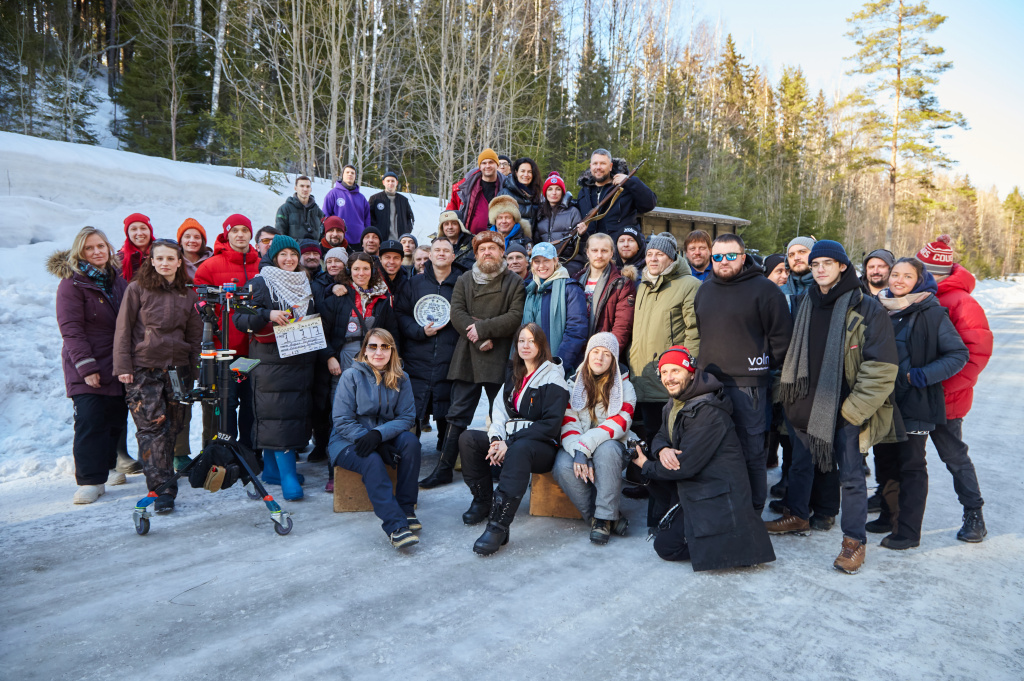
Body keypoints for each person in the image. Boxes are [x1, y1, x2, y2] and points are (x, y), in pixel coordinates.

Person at [766, 240, 900, 574]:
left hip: (845, 410)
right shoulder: (804, 303)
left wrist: (852, 411)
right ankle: (797, 514)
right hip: (806, 404)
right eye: (815, 264)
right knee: (799, 464)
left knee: (851, 477)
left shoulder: (866, 307)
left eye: (828, 262)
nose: (820, 269)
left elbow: (881, 368)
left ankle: (854, 542)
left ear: (843, 266)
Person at [634, 346, 777, 570]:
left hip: (715, 493)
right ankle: (692, 530)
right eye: (664, 372)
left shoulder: (708, 411)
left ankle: (732, 545)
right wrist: (662, 450)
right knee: (658, 498)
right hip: (695, 484)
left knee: (666, 547)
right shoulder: (676, 402)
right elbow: (661, 434)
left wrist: (646, 465)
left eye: (675, 371)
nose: (669, 378)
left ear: (691, 373)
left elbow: (685, 466)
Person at [869, 258, 968, 550]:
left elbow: (957, 354)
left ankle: (909, 532)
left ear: (919, 280)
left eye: (907, 276)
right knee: (884, 460)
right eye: (895, 274)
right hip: (882, 401)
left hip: (915, 402)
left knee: (910, 465)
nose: (898, 280)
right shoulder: (880, 309)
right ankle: (889, 516)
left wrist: (920, 376)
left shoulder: (932, 312)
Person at [419, 231, 526, 488]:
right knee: (457, 415)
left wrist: (484, 329)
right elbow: (456, 312)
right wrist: (478, 336)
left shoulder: (514, 282)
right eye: (482, 249)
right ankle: (444, 467)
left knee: (499, 414)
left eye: (492, 248)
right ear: (476, 254)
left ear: (501, 252)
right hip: (468, 354)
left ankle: (497, 467)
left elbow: (515, 316)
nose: (487, 252)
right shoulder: (465, 278)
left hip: (499, 355)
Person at [694, 234, 792, 512]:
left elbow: (782, 340)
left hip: (748, 386)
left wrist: (758, 364)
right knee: (714, 449)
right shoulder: (705, 289)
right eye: (717, 257)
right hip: (709, 385)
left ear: (743, 255)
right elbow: (704, 332)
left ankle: (753, 511)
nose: (723, 262)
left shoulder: (765, 290)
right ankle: (723, 510)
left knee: (751, 452)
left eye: (730, 256)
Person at [459, 323, 570, 555]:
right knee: (469, 439)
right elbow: (498, 410)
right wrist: (496, 439)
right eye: (521, 341)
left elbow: (550, 426)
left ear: (541, 345)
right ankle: (482, 501)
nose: (525, 346)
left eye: (531, 341)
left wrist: (510, 442)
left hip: (541, 448)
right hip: (511, 441)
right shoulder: (515, 375)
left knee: (519, 449)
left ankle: (498, 525)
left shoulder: (554, 378)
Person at [113, 241, 202, 514]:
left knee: (174, 425)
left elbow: (194, 334)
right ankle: (162, 489)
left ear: (179, 262)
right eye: (159, 258)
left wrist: (197, 369)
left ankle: (166, 475)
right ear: (151, 261)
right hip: (144, 369)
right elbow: (123, 329)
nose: (164, 263)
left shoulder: (187, 293)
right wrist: (123, 366)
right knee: (152, 429)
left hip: (178, 369)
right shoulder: (137, 289)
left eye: (170, 258)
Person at [233, 235, 324, 501]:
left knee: (289, 417)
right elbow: (238, 314)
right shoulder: (261, 282)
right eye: (283, 254)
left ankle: (272, 470)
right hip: (271, 362)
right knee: (278, 416)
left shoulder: (303, 281)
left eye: (293, 254)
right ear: (273, 256)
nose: (289, 259)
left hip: (299, 359)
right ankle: (287, 476)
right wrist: (267, 314)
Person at [51, 227, 136, 504]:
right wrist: (87, 368)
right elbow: (71, 329)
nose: (97, 251)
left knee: (114, 417)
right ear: (81, 252)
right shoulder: (72, 284)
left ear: (109, 248)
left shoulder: (118, 281)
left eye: (101, 246)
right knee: (89, 418)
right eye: (90, 248)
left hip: (117, 361)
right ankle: (89, 480)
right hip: (86, 361)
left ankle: (108, 469)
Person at [917, 235, 992, 542]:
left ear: (934, 273)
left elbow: (976, 355)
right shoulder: (915, 296)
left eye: (922, 270)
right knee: (906, 455)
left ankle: (974, 512)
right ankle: (887, 498)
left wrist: (941, 387)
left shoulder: (963, 302)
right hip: (915, 395)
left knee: (953, 455)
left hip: (946, 398)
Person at [329, 329, 422, 549]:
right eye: (373, 346)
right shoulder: (351, 376)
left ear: (392, 351)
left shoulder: (402, 378)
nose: (378, 352)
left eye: (384, 347)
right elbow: (341, 420)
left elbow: (407, 416)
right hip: (347, 440)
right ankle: (395, 526)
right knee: (371, 460)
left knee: (411, 443)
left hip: (383, 435)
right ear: (365, 350)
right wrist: (370, 439)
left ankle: (406, 508)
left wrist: (379, 436)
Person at [552, 333, 635, 543]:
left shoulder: (626, 387)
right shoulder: (572, 384)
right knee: (562, 465)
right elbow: (568, 423)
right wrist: (580, 451)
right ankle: (603, 518)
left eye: (607, 354)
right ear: (588, 355)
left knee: (607, 451)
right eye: (595, 352)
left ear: (614, 359)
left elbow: (619, 423)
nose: (600, 357)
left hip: (613, 448)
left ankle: (603, 516)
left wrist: (584, 450)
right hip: (577, 444)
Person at [193, 214, 260, 448]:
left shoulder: (261, 264)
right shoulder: (210, 266)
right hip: (226, 350)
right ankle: (228, 451)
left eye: (245, 230)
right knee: (228, 402)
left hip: (254, 349)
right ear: (226, 234)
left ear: (251, 234)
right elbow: (199, 304)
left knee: (252, 403)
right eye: (235, 230)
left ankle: (250, 451)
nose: (240, 234)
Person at [630, 232, 700, 443]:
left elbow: (695, 332)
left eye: (659, 254)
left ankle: (667, 476)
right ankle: (652, 475)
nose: (652, 258)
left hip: (669, 379)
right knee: (649, 434)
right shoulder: (643, 285)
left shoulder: (690, 285)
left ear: (671, 258)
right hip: (641, 375)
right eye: (649, 253)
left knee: (671, 437)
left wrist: (688, 370)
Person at [395, 238, 461, 449]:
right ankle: (409, 449)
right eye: (437, 250)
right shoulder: (413, 284)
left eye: (446, 251)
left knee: (447, 406)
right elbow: (400, 314)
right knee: (413, 406)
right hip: (417, 357)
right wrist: (419, 331)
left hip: (450, 357)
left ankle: (447, 448)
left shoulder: (463, 284)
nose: (441, 253)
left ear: (453, 256)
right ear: (429, 256)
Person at [523, 242, 588, 370]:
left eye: (546, 260)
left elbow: (576, 330)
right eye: (537, 261)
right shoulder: (529, 289)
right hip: (531, 364)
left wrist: (559, 363)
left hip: (558, 365)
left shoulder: (571, 289)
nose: (541, 266)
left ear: (555, 261)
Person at [576, 232, 636, 360]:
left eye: (604, 251)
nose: (599, 255)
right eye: (594, 250)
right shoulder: (575, 280)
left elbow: (622, 328)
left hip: (604, 356)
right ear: (587, 252)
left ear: (611, 253)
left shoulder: (622, 284)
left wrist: (607, 356)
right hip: (577, 352)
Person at [574, 149, 656, 236]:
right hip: (592, 247)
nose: (598, 167)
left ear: (610, 166)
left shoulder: (625, 187)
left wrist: (631, 181)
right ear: (590, 166)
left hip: (618, 246)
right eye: (595, 163)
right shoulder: (583, 192)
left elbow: (649, 204)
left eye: (603, 163)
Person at [534, 173, 586, 276]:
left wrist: (581, 234)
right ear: (545, 193)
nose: (554, 193)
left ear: (562, 192)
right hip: (545, 261)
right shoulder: (540, 213)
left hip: (569, 260)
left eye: (558, 189)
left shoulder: (573, 212)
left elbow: (579, 245)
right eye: (550, 189)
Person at [453, 148, 503, 234]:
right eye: (484, 163)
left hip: (497, 238)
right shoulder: (467, 186)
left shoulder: (506, 186)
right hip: (470, 238)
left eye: (491, 162)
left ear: (497, 165)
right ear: (480, 166)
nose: (487, 166)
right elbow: (452, 208)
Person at [322, 164, 370, 244]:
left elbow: (367, 220)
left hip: (359, 241)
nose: (350, 174)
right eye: (347, 172)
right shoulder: (333, 194)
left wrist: (366, 236)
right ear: (343, 175)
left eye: (352, 173)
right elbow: (325, 217)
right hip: (339, 240)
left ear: (355, 176)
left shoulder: (362, 198)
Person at [276, 175, 325, 242]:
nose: (305, 189)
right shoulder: (285, 209)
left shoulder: (317, 211)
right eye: (302, 186)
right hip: (294, 250)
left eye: (308, 186)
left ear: (311, 189)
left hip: (313, 251)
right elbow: (280, 233)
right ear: (295, 188)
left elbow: (323, 233)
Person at [369, 171, 415, 241]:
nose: (390, 183)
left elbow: (410, 217)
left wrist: (406, 231)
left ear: (396, 183)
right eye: (388, 181)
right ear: (383, 182)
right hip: (381, 239)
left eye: (393, 181)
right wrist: (376, 231)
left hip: (400, 240)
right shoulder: (375, 199)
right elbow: (369, 217)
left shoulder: (403, 200)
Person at [498, 157, 542, 227]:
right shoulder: (505, 194)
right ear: (516, 172)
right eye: (522, 171)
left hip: (532, 237)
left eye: (529, 172)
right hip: (510, 237)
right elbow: (494, 220)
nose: (526, 174)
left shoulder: (538, 195)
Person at [118, 212, 154, 281]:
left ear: (150, 231)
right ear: (128, 234)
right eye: (134, 229)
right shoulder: (118, 260)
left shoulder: (161, 254)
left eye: (143, 228)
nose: (139, 233)